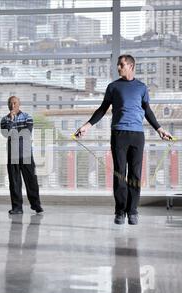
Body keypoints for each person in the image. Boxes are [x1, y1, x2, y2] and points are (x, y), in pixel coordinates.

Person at [75, 55, 172, 225]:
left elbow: (147, 111)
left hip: (137, 135)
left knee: (135, 174)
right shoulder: (113, 87)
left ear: (131, 66)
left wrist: (159, 129)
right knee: (120, 173)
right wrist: (87, 125)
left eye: (121, 65)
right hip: (119, 134)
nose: (118, 68)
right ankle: (120, 211)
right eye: (118, 65)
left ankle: (132, 210)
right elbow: (102, 109)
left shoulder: (141, 87)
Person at [0, 96, 43, 215]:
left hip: (26, 155)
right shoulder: (4, 120)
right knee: (14, 183)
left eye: (15, 103)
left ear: (19, 104)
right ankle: (17, 207)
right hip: (12, 156)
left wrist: (14, 132)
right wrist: (12, 121)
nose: (12, 105)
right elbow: (5, 134)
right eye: (10, 103)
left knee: (31, 181)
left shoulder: (27, 117)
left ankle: (36, 205)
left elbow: (27, 133)